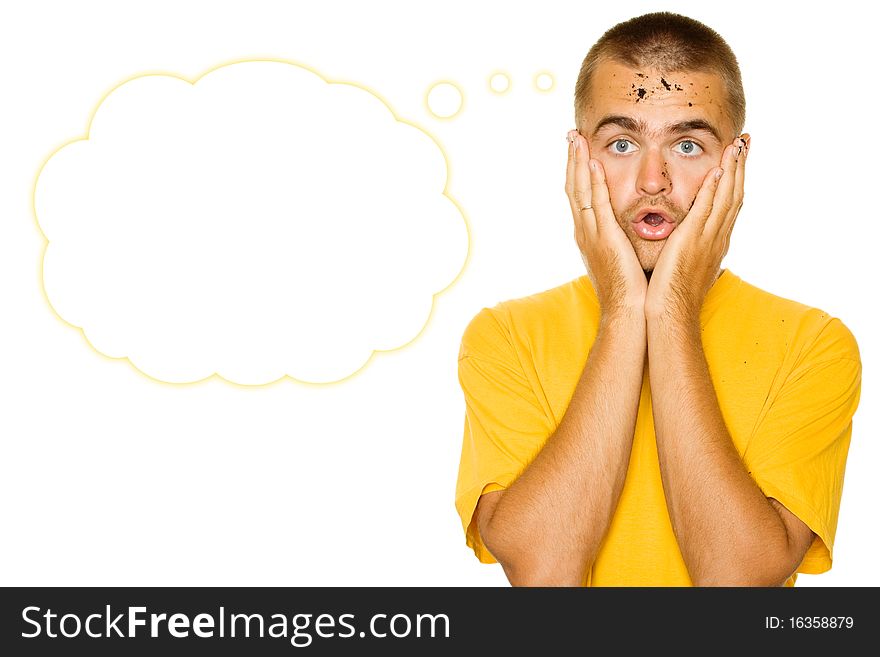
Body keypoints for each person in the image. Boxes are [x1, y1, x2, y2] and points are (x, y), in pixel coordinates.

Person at [454, 11, 862, 586]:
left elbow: (738, 587)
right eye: (622, 142)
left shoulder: (814, 344)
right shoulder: (505, 336)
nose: (652, 180)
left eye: (688, 146)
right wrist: (624, 309)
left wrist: (669, 312)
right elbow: (545, 578)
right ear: (578, 158)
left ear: (736, 162)